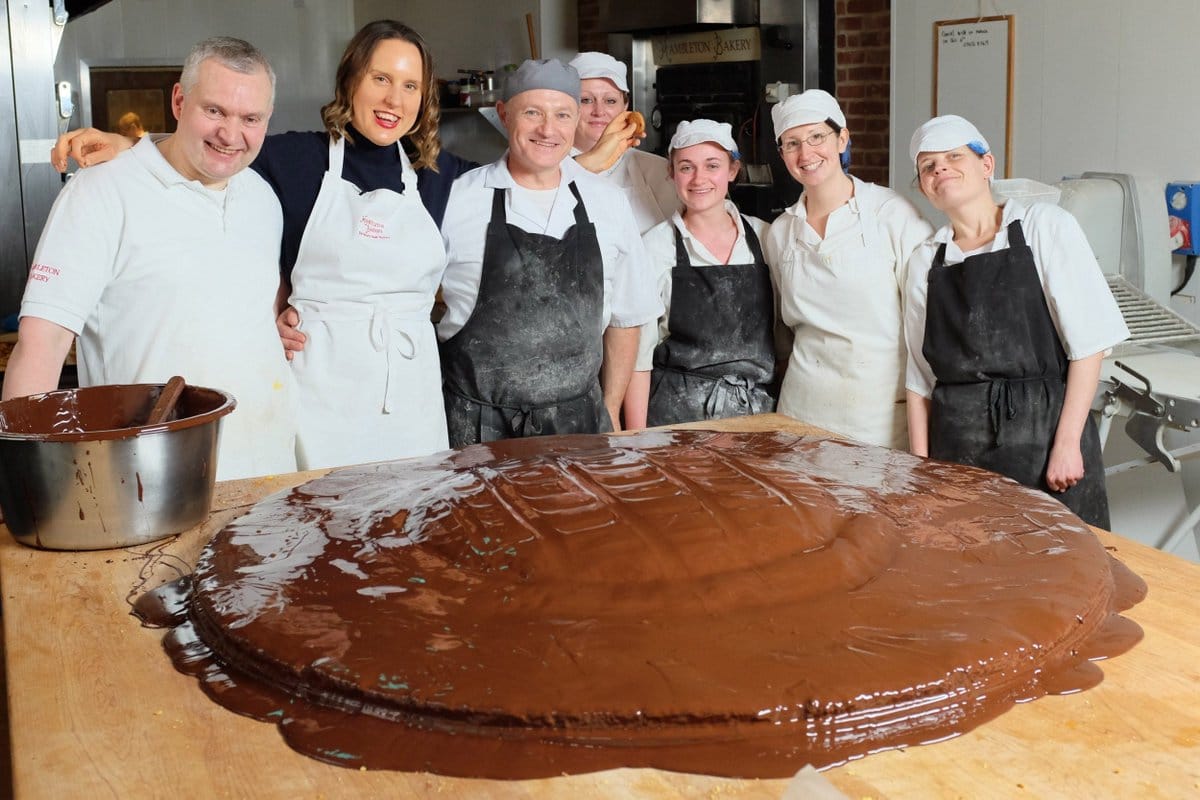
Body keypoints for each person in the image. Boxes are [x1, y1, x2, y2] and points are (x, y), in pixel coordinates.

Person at [3, 37, 297, 481]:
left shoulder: (262, 197)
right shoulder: (100, 193)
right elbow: (41, 346)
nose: (230, 134)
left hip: (268, 470)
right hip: (147, 482)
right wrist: (22, 484)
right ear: (179, 101)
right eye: (214, 111)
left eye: (250, 118)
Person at [904, 115, 1128, 528]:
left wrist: (1067, 445)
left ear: (986, 164)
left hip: (1045, 441)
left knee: (1064, 560)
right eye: (928, 166)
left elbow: (1089, 347)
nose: (941, 170)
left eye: (954, 157)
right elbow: (920, 379)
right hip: (958, 453)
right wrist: (923, 470)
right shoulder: (924, 260)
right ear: (922, 187)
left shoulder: (1044, 227)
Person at [437, 58, 661, 447]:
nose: (548, 129)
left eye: (562, 115)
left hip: (583, 426)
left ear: (575, 122)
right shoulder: (456, 200)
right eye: (532, 113)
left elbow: (627, 318)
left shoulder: (607, 203)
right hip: (475, 432)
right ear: (504, 114)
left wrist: (609, 408)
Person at [763, 90, 932, 449]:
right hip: (800, 415)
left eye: (816, 137)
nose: (805, 154)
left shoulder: (892, 215)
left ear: (842, 139)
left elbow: (926, 325)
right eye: (792, 144)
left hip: (878, 419)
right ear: (782, 155)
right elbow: (782, 332)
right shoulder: (780, 233)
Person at [631, 119, 777, 427]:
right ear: (671, 173)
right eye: (686, 167)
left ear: (733, 170)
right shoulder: (654, 247)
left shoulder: (766, 237)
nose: (699, 179)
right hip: (674, 419)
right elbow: (638, 360)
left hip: (756, 418)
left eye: (712, 166)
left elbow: (784, 341)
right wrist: (638, 441)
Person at [567, 52, 678, 235]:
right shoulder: (545, 173)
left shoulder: (658, 170)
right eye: (586, 100)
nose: (599, 111)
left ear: (625, 106)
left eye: (610, 101)